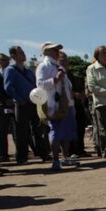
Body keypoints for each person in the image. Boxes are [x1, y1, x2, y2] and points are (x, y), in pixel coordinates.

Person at [35, 43, 80, 171]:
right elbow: (40, 85)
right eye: (55, 50)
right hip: (54, 105)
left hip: (67, 104)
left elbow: (67, 87)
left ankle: (65, 158)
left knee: (66, 133)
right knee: (55, 132)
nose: (57, 52)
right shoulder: (43, 66)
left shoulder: (59, 66)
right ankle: (55, 160)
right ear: (46, 51)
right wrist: (55, 79)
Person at [4, 45, 50, 164]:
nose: (23, 54)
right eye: (20, 52)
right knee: (22, 132)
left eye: (23, 52)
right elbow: (8, 87)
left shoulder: (29, 71)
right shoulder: (10, 70)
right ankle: (21, 157)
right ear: (13, 55)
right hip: (21, 105)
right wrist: (19, 99)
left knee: (38, 130)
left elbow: (36, 85)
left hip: (33, 103)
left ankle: (43, 154)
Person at [59, 51, 89, 158]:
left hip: (77, 105)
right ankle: (70, 151)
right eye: (61, 60)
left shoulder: (73, 75)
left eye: (65, 59)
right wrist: (73, 94)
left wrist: (82, 94)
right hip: (65, 105)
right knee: (69, 129)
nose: (64, 62)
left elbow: (81, 88)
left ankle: (80, 149)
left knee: (80, 128)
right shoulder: (58, 75)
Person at [0, 53, 16, 163]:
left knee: (16, 129)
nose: (6, 62)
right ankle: (2, 153)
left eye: (7, 60)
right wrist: (4, 101)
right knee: (2, 131)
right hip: (1, 106)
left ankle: (21, 152)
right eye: (3, 60)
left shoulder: (12, 72)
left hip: (14, 103)